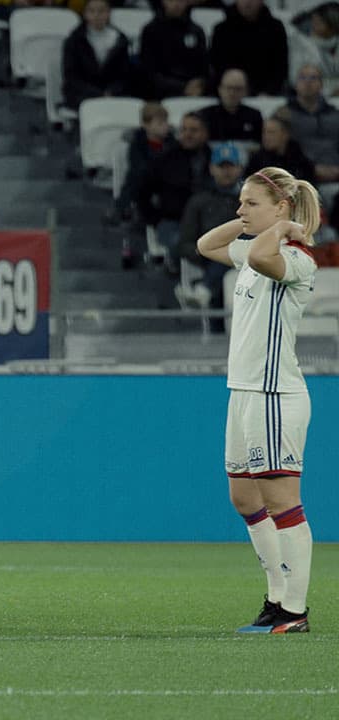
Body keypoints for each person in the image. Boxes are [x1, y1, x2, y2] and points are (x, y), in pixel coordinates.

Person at [196, 166, 319, 634]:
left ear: (282, 208)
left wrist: (283, 228)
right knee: (244, 497)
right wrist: (255, 223)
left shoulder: (297, 259)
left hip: (274, 395)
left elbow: (268, 257)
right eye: (241, 202)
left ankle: (294, 610)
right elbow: (206, 245)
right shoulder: (253, 249)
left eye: (250, 203)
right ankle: (275, 598)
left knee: (282, 500)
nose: (239, 210)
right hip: (244, 393)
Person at [137, 112, 212, 268]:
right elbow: (142, 193)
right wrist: (154, 219)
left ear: (205, 133)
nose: (187, 134)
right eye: (184, 130)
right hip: (173, 222)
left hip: (209, 221)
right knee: (181, 244)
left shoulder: (216, 159)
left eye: (193, 130)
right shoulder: (164, 159)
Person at [175, 143, 245, 310]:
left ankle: (204, 290)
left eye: (231, 166)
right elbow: (185, 242)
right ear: (212, 169)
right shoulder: (199, 201)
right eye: (222, 166)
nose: (226, 171)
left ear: (240, 169)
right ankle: (205, 291)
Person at [60, 0, 130, 111]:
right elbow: (71, 77)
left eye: (102, 11)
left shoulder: (120, 40)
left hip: (113, 94)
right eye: (92, 11)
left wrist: (111, 92)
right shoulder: (74, 41)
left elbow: (124, 75)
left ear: (109, 13)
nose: (97, 15)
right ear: (85, 14)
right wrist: (98, 94)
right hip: (82, 94)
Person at [210, 0, 288, 96]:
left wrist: (268, 91)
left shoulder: (276, 28)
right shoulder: (221, 30)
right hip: (229, 93)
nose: (247, 2)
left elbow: (280, 66)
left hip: (266, 94)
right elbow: (217, 66)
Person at [114, 102, 176, 223]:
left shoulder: (171, 142)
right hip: (143, 183)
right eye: (160, 123)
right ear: (146, 125)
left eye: (166, 122)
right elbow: (138, 167)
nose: (165, 126)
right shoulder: (138, 143)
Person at [138, 0, 209, 99]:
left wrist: (199, 84)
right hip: (159, 93)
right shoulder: (151, 30)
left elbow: (204, 66)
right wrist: (181, 87)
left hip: (194, 91)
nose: (176, 4)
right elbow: (147, 70)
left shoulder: (197, 31)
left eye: (181, 1)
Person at [285, 64, 339, 185]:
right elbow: (280, 151)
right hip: (300, 177)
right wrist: (310, 169)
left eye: (313, 78)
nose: (308, 82)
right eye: (303, 78)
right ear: (295, 84)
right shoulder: (284, 114)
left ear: (321, 84)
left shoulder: (335, 115)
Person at [245, 116, 315, 184]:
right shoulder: (257, 160)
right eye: (264, 132)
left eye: (271, 132)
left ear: (285, 135)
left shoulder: (299, 158)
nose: (266, 137)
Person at [199, 69, 263, 143]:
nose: (232, 93)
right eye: (228, 88)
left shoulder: (254, 116)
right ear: (220, 89)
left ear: (245, 91)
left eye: (238, 89)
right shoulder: (205, 115)